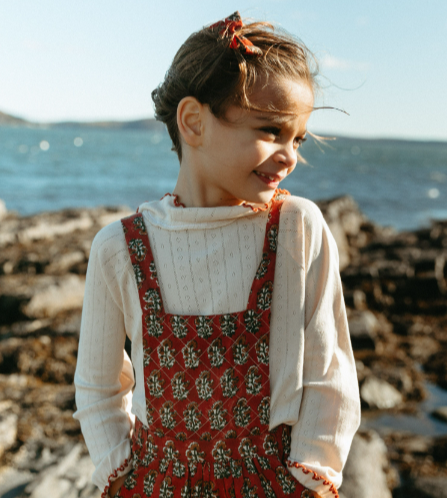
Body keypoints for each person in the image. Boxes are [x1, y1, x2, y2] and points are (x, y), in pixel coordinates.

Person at [73, 12, 360, 498]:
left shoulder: (296, 228)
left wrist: (311, 473)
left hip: (273, 483)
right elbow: (97, 386)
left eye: (298, 138)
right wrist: (117, 470)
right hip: (153, 483)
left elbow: (329, 374)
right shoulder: (120, 248)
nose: (289, 155)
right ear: (193, 122)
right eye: (270, 130)